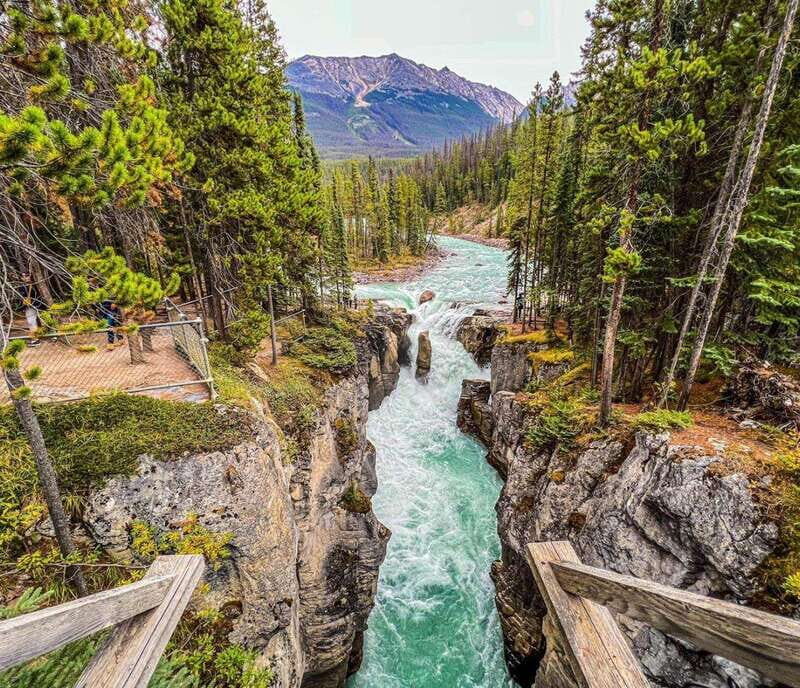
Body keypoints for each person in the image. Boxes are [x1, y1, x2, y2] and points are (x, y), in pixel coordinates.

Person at [18, 273, 41, 346]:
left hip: (37, 306)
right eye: (23, 276)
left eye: (27, 275)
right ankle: (35, 339)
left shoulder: (36, 284)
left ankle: (36, 340)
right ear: (21, 278)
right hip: (29, 306)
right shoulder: (22, 287)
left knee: (32, 322)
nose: (26, 277)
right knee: (32, 322)